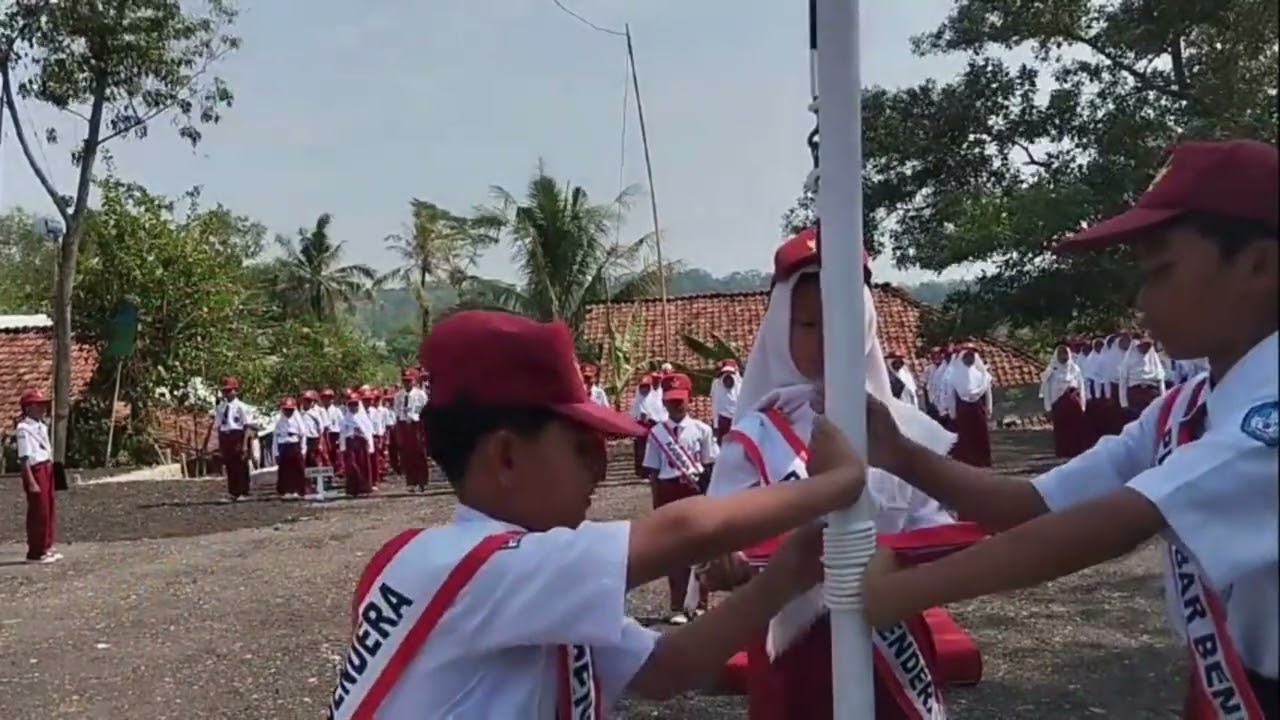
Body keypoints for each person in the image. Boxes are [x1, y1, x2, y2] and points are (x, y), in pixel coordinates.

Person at [865, 139, 1279, 719]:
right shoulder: (1186, 405)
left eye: (1161, 271)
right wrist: (902, 456)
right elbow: (1034, 502)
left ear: (1258, 266)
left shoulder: (1269, 413)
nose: (1141, 301)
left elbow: (1111, 525)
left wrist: (896, 595)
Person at [328, 309, 870, 720]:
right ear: (507, 456)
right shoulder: (478, 567)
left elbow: (664, 670)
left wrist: (784, 579)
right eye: (583, 450)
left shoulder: (497, 575)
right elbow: (684, 528)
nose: (599, 471)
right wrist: (838, 483)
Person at [701, 229, 983, 719]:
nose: (826, 339)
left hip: (889, 628)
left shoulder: (904, 430)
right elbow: (723, 535)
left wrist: (909, 559)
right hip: (793, 643)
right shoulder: (753, 436)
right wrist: (730, 563)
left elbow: (929, 526)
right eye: (808, 323)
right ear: (781, 329)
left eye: (842, 321)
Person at [642, 371, 718, 624]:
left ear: (690, 400)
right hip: (668, 489)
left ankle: (699, 604)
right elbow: (652, 471)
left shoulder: (702, 430)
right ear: (663, 401)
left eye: (680, 400)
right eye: (670, 400)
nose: (675, 405)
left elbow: (710, 466)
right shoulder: (656, 434)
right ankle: (676, 606)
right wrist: (656, 505)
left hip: (694, 490)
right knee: (674, 550)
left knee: (701, 548)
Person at [16, 388, 59, 564]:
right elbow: (24, 458)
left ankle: (47, 545)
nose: (43, 409)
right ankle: (36, 550)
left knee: (49, 506)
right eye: (38, 405)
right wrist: (31, 481)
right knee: (38, 510)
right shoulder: (23, 429)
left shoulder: (42, 426)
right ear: (29, 407)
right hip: (35, 469)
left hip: (47, 466)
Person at [1040, 342, 1093, 458]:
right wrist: (1048, 408)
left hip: (1073, 404)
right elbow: (1047, 390)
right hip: (1058, 404)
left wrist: (1082, 405)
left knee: (1076, 429)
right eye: (1060, 354)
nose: (1063, 357)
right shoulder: (1051, 371)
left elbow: (1081, 387)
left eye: (1065, 354)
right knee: (1061, 431)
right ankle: (1063, 452)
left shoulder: (1075, 369)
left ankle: (1077, 451)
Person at [946, 344, 994, 468]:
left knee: (980, 436)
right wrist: (953, 413)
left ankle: (982, 461)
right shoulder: (953, 376)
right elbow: (951, 396)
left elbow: (988, 394)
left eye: (971, 356)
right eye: (966, 356)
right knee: (965, 436)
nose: (969, 359)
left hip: (978, 410)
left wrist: (989, 409)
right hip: (962, 411)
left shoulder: (983, 376)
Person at [211, 376, 252, 503]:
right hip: (226, 435)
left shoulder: (242, 407)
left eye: (229, 391)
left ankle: (243, 491)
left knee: (241, 464)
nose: (226, 393)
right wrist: (220, 442)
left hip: (238, 435)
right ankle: (232, 492)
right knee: (230, 465)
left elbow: (247, 426)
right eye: (224, 391)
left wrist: (245, 444)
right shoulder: (221, 407)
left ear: (236, 391)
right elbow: (218, 425)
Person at [395, 369, 431, 492]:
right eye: (404, 381)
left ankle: (423, 481)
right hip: (404, 425)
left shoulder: (420, 394)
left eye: (409, 381)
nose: (407, 383)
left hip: (417, 424)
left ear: (414, 381)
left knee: (420, 453)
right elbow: (397, 413)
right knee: (407, 455)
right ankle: (411, 482)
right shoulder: (399, 396)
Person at [1119, 335, 1168, 421]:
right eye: (1143, 346)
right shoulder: (1128, 360)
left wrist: (1163, 399)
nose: (1145, 349)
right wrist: (1124, 403)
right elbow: (1123, 382)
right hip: (1135, 394)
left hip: (1152, 393)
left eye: (1147, 347)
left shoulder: (1154, 360)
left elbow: (1160, 380)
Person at [628, 374, 663, 478]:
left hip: (653, 426)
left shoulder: (655, 398)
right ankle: (642, 472)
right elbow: (635, 414)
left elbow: (659, 413)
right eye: (642, 387)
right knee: (641, 449)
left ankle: (654, 469)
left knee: (653, 449)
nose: (644, 389)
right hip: (640, 427)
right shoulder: (638, 399)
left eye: (647, 387)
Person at [341, 391, 375, 497]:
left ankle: (364, 487)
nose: (353, 407)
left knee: (363, 465)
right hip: (350, 444)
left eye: (355, 404)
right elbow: (342, 433)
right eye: (350, 404)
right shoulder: (345, 418)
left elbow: (368, 432)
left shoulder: (363, 417)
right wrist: (342, 446)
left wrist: (370, 446)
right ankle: (352, 488)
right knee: (352, 465)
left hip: (361, 444)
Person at [273, 397, 306, 499]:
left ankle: (297, 490)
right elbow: (275, 438)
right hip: (283, 445)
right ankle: (286, 491)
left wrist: (303, 449)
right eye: (286, 410)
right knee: (284, 469)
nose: (288, 412)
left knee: (297, 469)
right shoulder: (279, 421)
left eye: (290, 410)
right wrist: (276, 453)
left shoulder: (297, 419)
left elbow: (303, 434)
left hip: (294, 444)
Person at [710, 359, 741, 441]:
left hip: (738, 420)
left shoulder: (741, 383)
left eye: (731, 372)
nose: (728, 375)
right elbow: (715, 404)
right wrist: (716, 425)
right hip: (723, 421)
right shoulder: (716, 384)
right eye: (725, 372)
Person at [319, 389, 344, 477]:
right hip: (325, 434)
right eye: (324, 398)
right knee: (325, 453)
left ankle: (338, 470)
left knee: (336, 452)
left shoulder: (337, 411)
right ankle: (328, 472)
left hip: (334, 433)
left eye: (328, 398)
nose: (326, 400)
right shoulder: (320, 411)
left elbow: (342, 424)